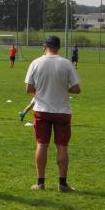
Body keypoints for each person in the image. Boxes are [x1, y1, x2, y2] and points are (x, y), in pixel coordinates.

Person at [25, 35, 82, 192]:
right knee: (62, 146)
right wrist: (65, 89)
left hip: (42, 110)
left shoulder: (35, 63)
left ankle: (40, 183)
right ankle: (62, 184)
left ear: (44, 46)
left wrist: (40, 94)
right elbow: (77, 89)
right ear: (59, 47)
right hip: (62, 111)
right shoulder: (66, 63)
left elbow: (28, 89)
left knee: (42, 144)